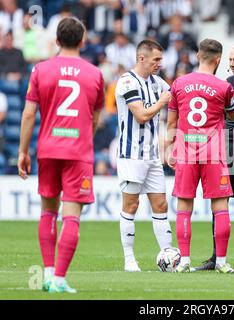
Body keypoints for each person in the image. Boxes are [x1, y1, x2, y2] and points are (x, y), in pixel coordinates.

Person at [18, 17, 105, 293]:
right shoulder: (95, 74)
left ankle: (46, 274)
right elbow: (95, 118)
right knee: (71, 216)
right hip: (77, 151)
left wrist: (22, 151)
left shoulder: (40, 70)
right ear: (82, 41)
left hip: (47, 150)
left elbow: (29, 113)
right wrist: (81, 137)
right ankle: (59, 279)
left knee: (48, 212)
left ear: (56, 41)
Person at [166, 39, 234, 273]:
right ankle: (222, 262)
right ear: (218, 60)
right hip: (214, 153)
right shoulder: (223, 87)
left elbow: (171, 122)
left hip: (185, 151)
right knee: (220, 207)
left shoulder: (179, 83)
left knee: (184, 206)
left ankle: (184, 261)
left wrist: (169, 150)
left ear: (197, 56)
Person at [193, 44, 234, 272]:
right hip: (223, 145)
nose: (232, 63)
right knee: (219, 200)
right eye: (230, 59)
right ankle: (216, 256)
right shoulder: (226, 83)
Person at [116, 40, 173, 272]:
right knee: (131, 204)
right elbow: (140, 115)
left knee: (160, 204)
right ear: (142, 58)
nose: (160, 64)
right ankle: (129, 259)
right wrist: (162, 102)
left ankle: (169, 256)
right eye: (156, 60)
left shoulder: (157, 81)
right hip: (131, 154)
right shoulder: (127, 81)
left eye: (161, 59)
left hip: (151, 155)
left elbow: (174, 93)